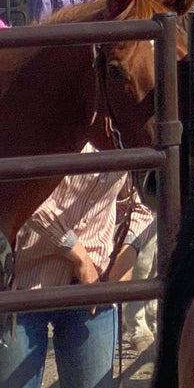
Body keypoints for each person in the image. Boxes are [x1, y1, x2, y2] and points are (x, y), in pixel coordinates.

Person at [0, 151, 153, 388]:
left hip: (94, 290)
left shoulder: (119, 134)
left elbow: (137, 202)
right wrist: (77, 254)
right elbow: (23, 192)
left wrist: (128, 251)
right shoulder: (53, 123)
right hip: (25, 284)